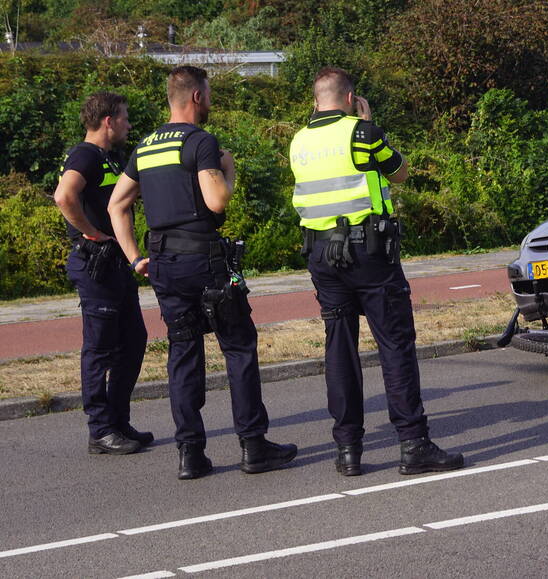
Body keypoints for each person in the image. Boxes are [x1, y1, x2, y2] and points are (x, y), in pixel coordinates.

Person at [108, 66, 296, 479]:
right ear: (196, 97)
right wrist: (228, 169)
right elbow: (216, 201)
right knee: (238, 346)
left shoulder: (146, 146)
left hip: (164, 263)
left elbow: (117, 204)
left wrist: (135, 257)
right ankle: (253, 446)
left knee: (184, 351)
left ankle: (190, 454)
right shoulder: (200, 141)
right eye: (208, 94)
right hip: (204, 261)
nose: (210, 100)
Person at [289, 67, 463, 476]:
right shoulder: (363, 133)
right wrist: (367, 125)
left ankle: (347, 450)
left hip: (321, 254)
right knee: (394, 343)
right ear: (351, 98)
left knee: (339, 349)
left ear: (315, 101)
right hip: (368, 252)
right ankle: (413, 443)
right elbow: (399, 171)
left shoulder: (299, 140)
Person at [53, 92, 150, 455]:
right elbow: (64, 196)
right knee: (99, 349)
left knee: (133, 341)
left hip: (116, 265)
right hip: (94, 264)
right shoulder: (85, 155)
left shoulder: (111, 157)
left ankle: (118, 421)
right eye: (124, 117)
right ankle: (100, 430)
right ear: (108, 121)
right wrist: (91, 233)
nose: (128, 124)